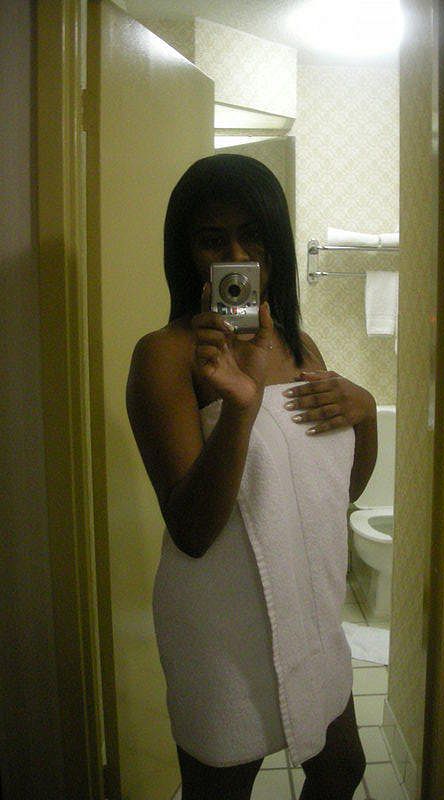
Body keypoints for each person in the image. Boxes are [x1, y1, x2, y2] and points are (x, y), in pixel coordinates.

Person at [126, 154, 378, 800]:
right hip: (221, 628)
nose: (236, 256)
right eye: (213, 239)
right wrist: (239, 408)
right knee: (219, 791)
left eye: (254, 235)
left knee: (342, 766)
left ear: (277, 247)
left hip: (307, 610)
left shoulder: (301, 346)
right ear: (186, 252)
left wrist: (368, 413)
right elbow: (192, 530)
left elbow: (338, 490)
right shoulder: (165, 355)